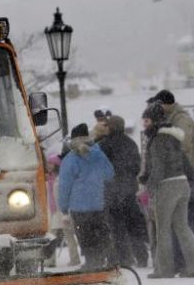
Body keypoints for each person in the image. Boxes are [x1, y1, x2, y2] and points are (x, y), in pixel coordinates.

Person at [140, 103, 194, 278]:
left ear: (155, 121)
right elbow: (185, 163)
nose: (144, 124)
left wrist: (148, 188)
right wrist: (189, 181)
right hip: (182, 184)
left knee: (163, 229)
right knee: (182, 227)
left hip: (167, 186)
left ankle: (164, 269)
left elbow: (158, 168)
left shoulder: (158, 139)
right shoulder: (174, 138)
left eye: (147, 120)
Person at [58, 123, 115, 270]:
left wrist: (63, 206)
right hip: (98, 203)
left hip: (79, 206)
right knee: (101, 233)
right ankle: (108, 260)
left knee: (85, 236)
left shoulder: (70, 159)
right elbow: (109, 174)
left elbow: (64, 185)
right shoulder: (99, 153)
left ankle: (92, 262)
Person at [100, 115, 148, 267]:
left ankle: (124, 258)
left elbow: (102, 169)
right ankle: (142, 257)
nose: (105, 128)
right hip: (129, 191)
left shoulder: (104, 145)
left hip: (112, 193)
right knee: (134, 225)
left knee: (117, 228)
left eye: (107, 125)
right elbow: (136, 166)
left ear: (112, 127)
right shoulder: (131, 143)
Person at [153, 89, 194, 236]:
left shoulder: (181, 119)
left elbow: (183, 144)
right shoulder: (170, 118)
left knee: (189, 214)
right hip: (180, 173)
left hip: (188, 172)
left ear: (164, 104)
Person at [45, 154, 81, 267]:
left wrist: (67, 212)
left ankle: (75, 259)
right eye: (48, 163)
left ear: (56, 165)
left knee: (69, 235)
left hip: (63, 210)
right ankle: (50, 261)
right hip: (53, 212)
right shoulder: (49, 179)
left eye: (51, 163)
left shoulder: (63, 178)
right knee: (51, 236)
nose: (48, 165)